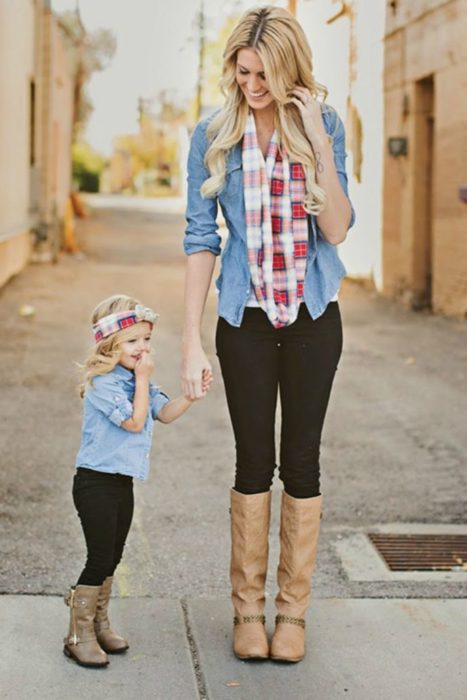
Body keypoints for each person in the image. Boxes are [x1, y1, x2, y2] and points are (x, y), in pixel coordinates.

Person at [182, 6, 355, 663]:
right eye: (240, 68)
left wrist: (314, 133)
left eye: (261, 72)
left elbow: (336, 228)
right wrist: (191, 339)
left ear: (289, 69)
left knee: (302, 462)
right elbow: (200, 238)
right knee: (253, 462)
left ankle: (292, 616)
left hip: (314, 319)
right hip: (245, 322)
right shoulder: (212, 133)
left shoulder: (324, 124)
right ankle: (247, 613)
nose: (249, 83)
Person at [64, 294, 211, 668]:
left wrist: (191, 396)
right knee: (98, 557)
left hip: (120, 483)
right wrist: (143, 380)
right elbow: (132, 420)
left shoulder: (137, 379)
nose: (142, 348)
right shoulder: (103, 384)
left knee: (112, 557)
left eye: (146, 339)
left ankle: (99, 623)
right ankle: (78, 633)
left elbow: (163, 413)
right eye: (133, 341)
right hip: (94, 483)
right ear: (109, 344)